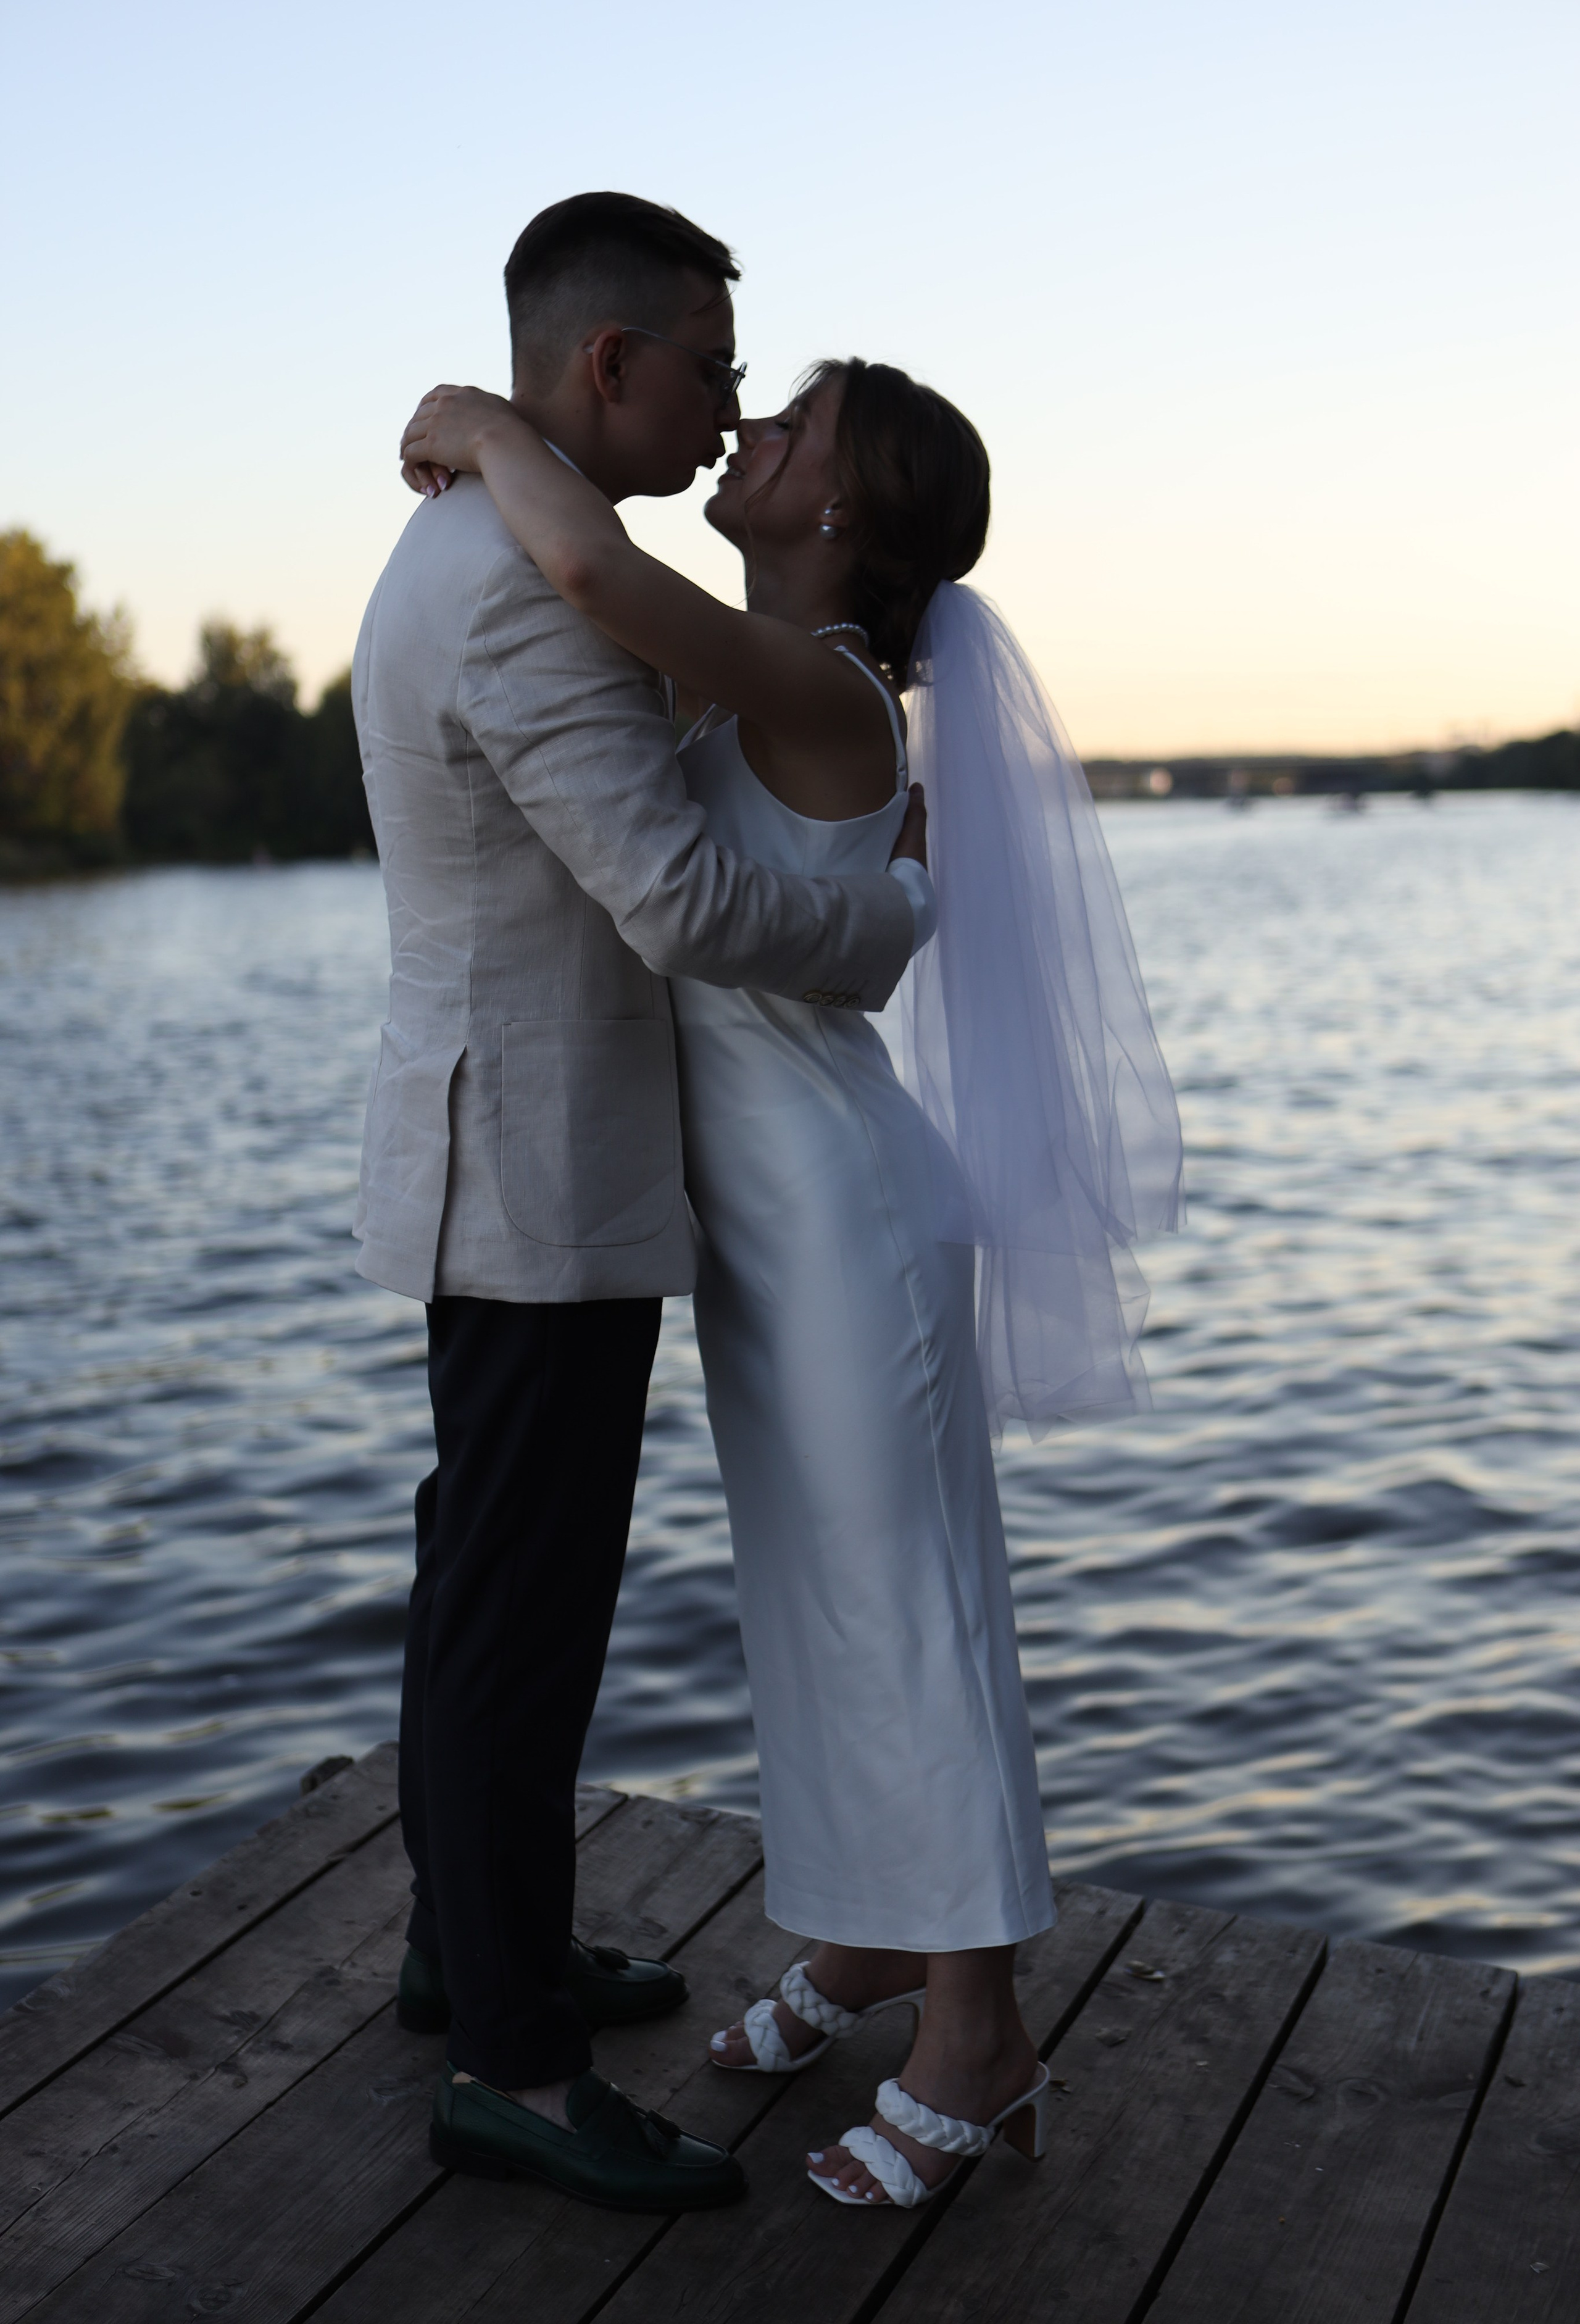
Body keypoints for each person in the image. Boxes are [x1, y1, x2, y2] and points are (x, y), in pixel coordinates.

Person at [398, 347, 1182, 2208]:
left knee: (907, 1610)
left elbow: (591, 573)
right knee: (818, 1609)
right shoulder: (748, 677)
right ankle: (863, 1940)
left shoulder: (823, 693)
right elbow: (595, 638)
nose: (753, 430)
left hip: (842, 1221)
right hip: (762, 1235)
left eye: (797, 419)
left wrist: (491, 423)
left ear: (845, 511)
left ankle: (977, 2034)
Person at [353, 193, 935, 2215]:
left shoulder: (491, 539)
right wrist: (883, 919)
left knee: (479, 1584)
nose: (726, 414)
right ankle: (510, 2063)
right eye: (708, 369)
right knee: (521, 1621)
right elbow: (683, 904)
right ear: (607, 364)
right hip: (540, 1164)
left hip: (503, 1139)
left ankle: (471, 1946)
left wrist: (469, 420)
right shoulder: (527, 587)